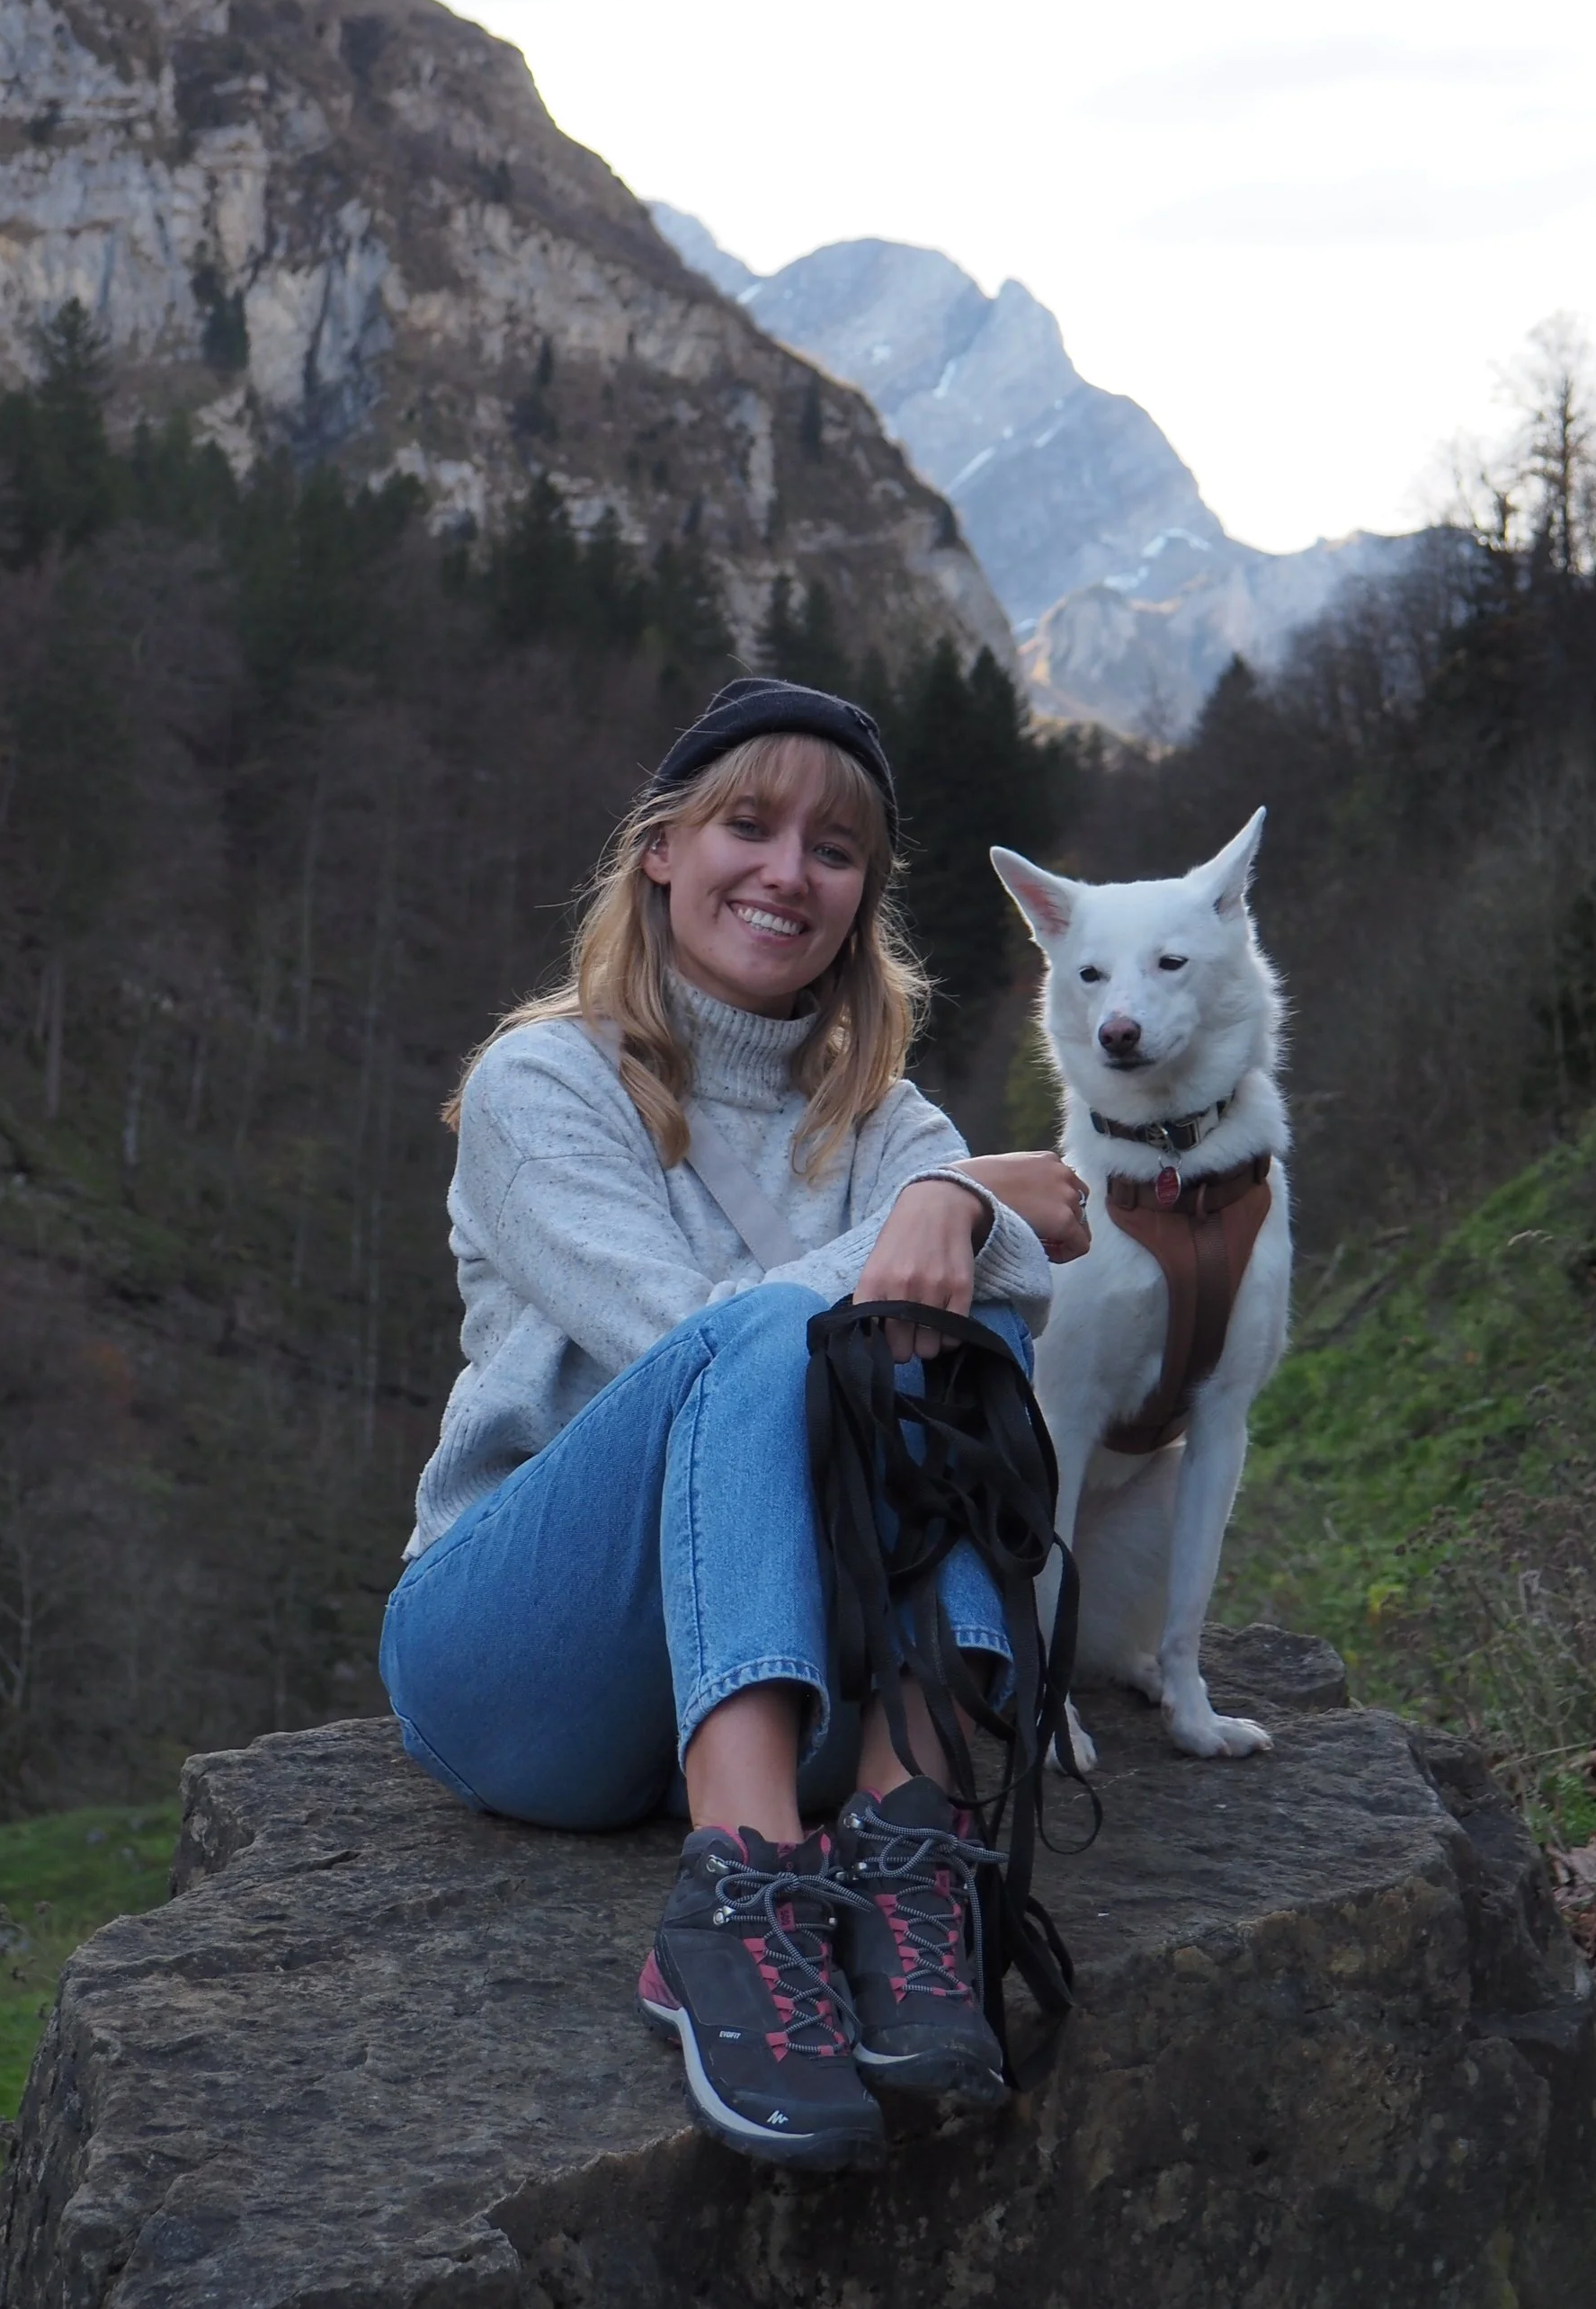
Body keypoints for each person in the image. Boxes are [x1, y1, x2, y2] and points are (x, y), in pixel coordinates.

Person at [380, 674, 1091, 2174]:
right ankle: (745, 1884)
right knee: (784, 1336)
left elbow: (1003, 1305)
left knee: (960, 1358)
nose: (788, 872)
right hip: (527, 1650)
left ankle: (910, 1851)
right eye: (747, 826)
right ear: (660, 849)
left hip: (793, 1657)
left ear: (862, 899)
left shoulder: (889, 1127)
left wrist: (943, 1209)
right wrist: (955, 1205)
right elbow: (693, 1347)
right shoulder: (544, 1079)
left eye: (834, 851)